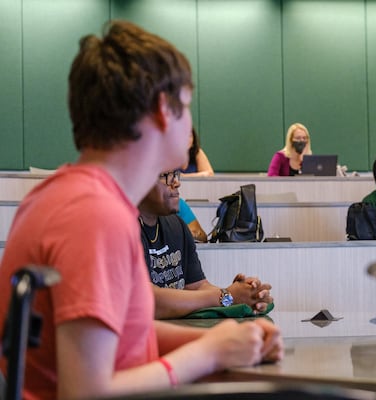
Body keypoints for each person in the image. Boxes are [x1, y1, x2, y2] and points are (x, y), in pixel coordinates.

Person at [0, 20, 282, 399]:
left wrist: (224, 339)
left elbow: (127, 333)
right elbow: (84, 391)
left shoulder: (68, 196)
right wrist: (206, 353)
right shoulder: (95, 215)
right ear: (163, 110)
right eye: (187, 107)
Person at [138, 169, 274, 319]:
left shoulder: (177, 225)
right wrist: (226, 296)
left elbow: (197, 286)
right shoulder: (123, 229)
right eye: (165, 175)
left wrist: (245, 296)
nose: (176, 182)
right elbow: (147, 301)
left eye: (175, 174)